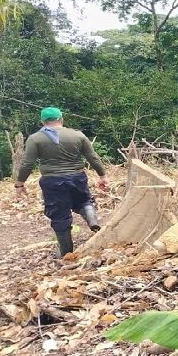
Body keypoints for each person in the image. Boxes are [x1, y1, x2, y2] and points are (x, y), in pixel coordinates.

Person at [14, 107, 110, 257]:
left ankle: (66, 251)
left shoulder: (35, 138)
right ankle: (92, 221)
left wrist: (20, 183)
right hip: (77, 177)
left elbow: (27, 163)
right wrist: (103, 176)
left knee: (59, 214)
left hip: (52, 181)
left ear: (43, 121)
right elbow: (93, 157)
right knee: (84, 201)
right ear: (61, 119)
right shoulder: (78, 135)